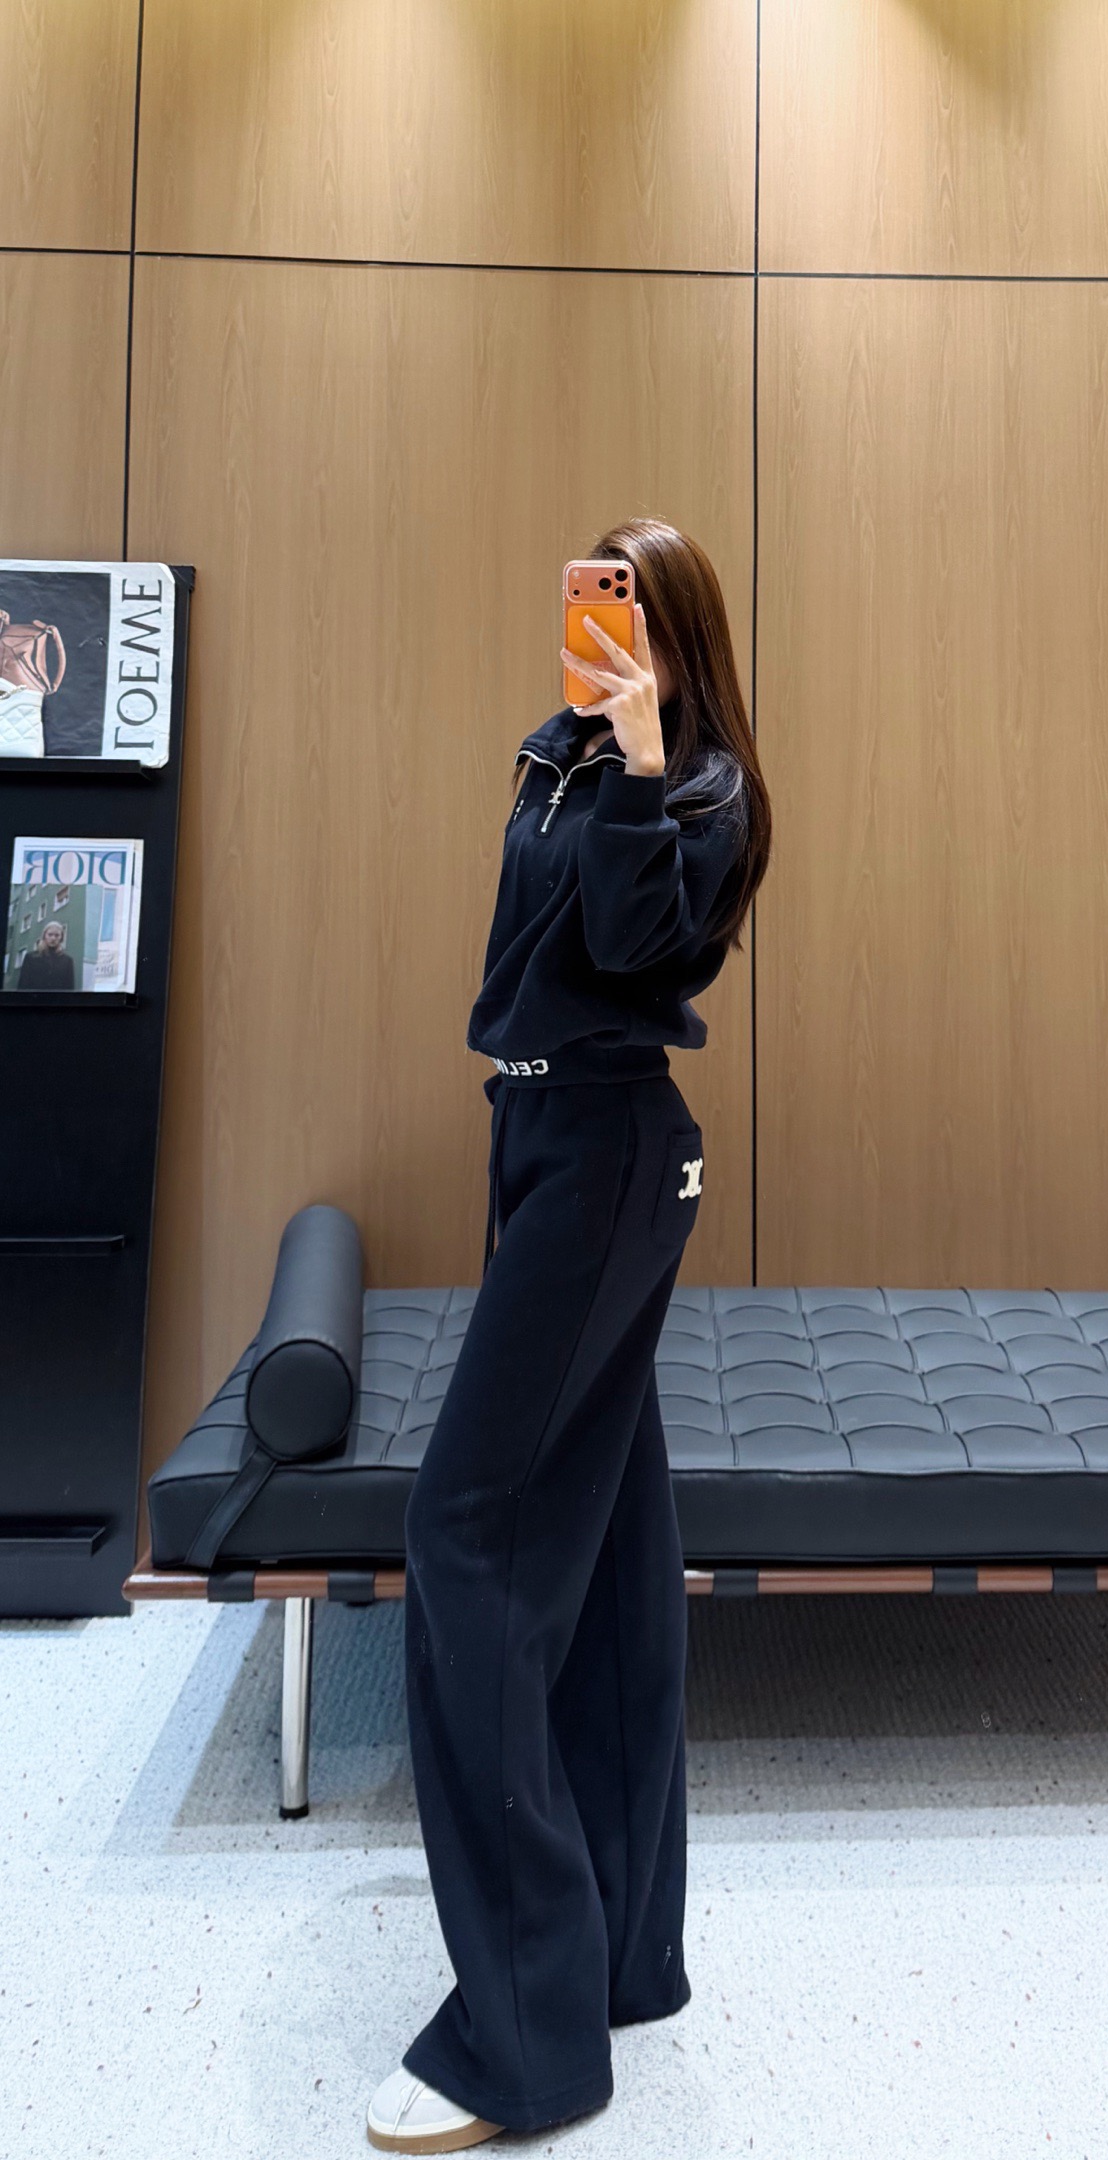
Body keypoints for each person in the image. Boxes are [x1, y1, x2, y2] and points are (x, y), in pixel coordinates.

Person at [367, 519, 772, 2153]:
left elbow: (629, 948)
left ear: (680, 636)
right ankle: (620, 1956)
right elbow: (518, 956)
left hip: (612, 1141)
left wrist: (643, 757)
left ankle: (522, 2037)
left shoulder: (707, 793)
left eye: (635, 615)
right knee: (604, 1550)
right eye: (593, 606)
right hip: (532, 1139)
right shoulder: (559, 756)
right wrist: (598, 741)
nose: (608, 639)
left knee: (462, 1538)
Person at [16, 919, 75, 991]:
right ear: (44, 936)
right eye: (50, 934)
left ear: (61, 938)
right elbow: (22, 986)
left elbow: (69, 989)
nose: (53, 938)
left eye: (57, 935)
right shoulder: (30, 958)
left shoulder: (67, 961)